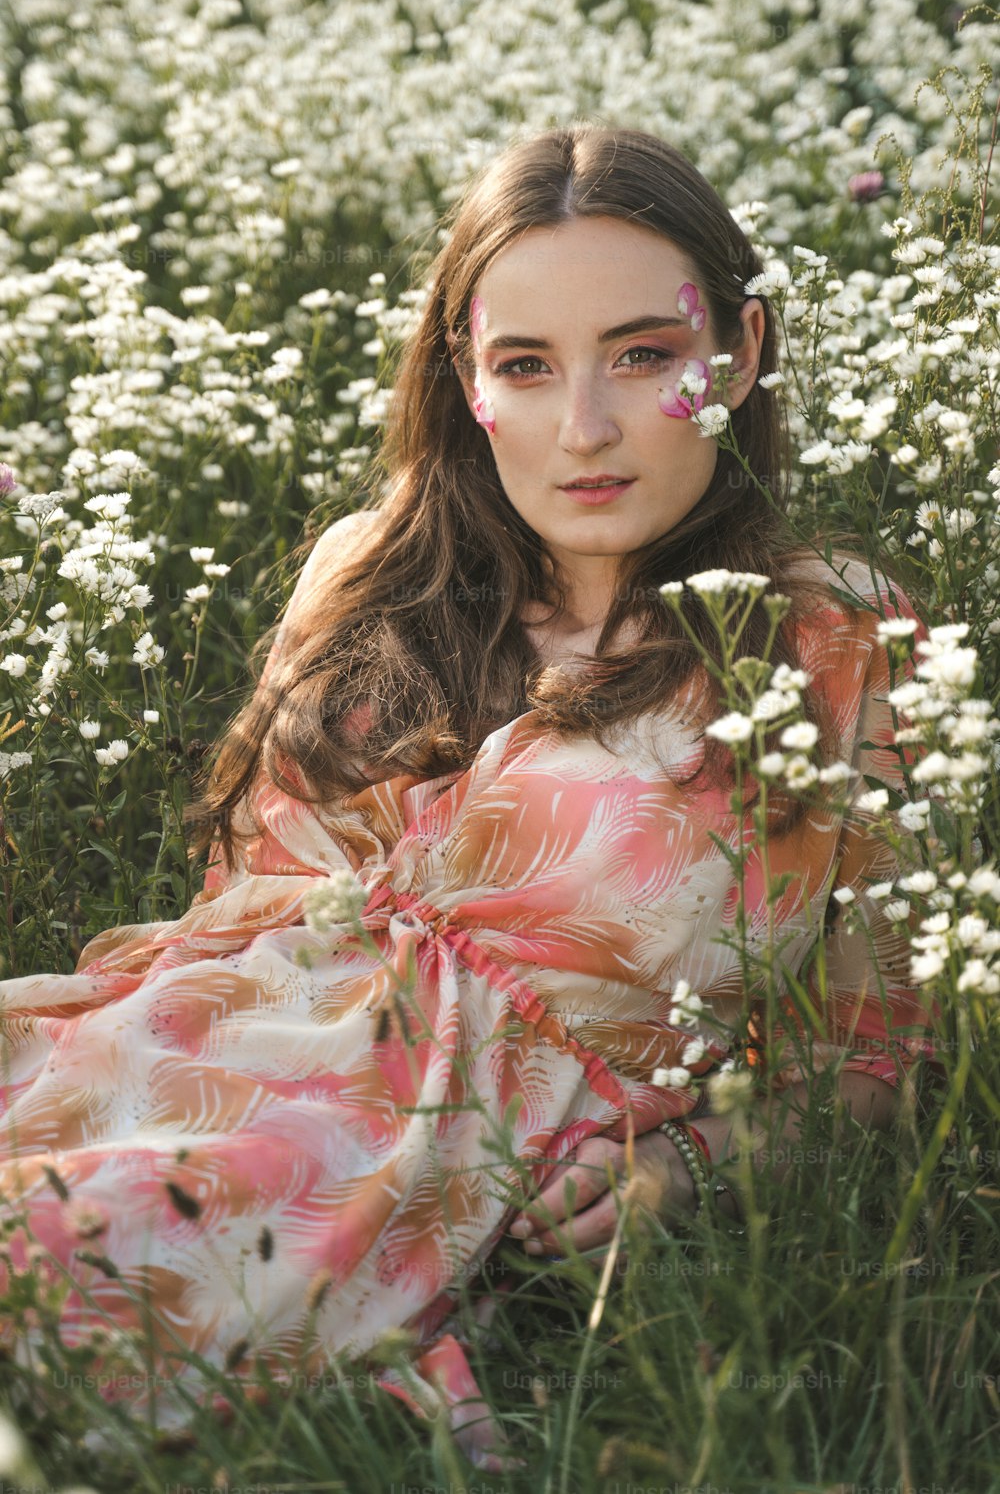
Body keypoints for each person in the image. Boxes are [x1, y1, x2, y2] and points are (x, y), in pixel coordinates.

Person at [0, 125, 942, 1467]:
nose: (587, 428)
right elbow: (235, 922)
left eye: (643, 354)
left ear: (737, 353)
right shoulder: (368, 573)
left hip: (400, 1176)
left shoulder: (826, 636)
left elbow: (875, 1051)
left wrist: (692, 1169)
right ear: (466, 381)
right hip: (188, 1069)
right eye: (525, 366)